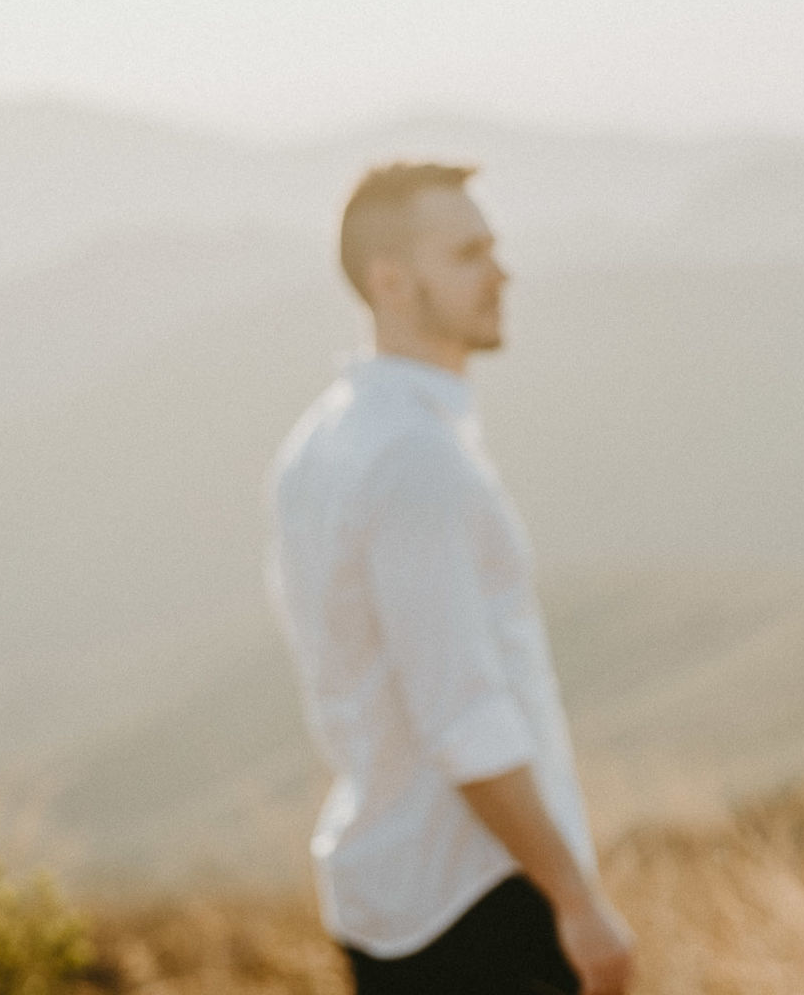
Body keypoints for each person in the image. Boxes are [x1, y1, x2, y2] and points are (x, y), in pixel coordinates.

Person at [267, 162, 635, 995]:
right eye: (468, 253)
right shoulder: (415, 460)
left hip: (390, 890)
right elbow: (462, 713)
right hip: (475, 896)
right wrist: (576, 898)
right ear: (390, 282)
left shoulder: (320, 442)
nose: (501, 273)